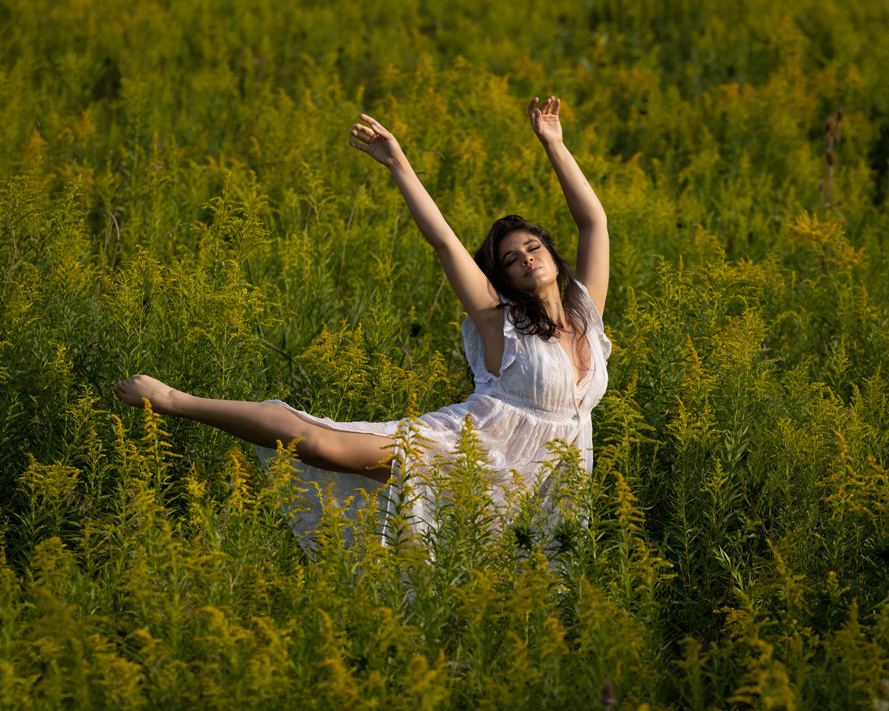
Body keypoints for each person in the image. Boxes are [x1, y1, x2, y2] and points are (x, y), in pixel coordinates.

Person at [113, 96, 610, 538]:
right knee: (322, 447)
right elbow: (443, 243)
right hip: (465, 452)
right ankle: (176, 401)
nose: (526, 257)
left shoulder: (586, 317)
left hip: (546, 489)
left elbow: (594, 221)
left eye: (532, 246)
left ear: (550, 253)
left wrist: (554, 145)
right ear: (503, 280)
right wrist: (398, 164)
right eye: (510, 259)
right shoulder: (499, 323)